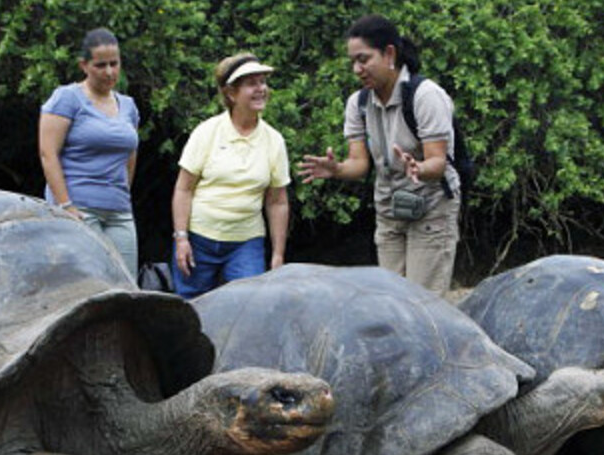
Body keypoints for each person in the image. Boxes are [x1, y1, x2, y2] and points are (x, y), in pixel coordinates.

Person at [298, 14, 461, 295]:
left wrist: (419, 168)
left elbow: (437, 162)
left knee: (424, 303)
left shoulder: (425, 96)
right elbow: (359, 163)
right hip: (389, 209)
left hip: (432, 208)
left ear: (389, 54)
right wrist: (337, 170)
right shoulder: (359, 103)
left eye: (363, 59)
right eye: (353, 61)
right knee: (389, 301)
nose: (357, 69)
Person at [170, 53, 291, 299]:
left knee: (249, 305)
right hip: (199, 238)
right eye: (251, 83)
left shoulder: (274, 140)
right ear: (231, 93)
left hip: (246, 241)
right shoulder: (207, 132)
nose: (261, 89)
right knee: (189, 306)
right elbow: (183, 189)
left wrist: (278, 255)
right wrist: (181, 238)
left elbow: (277, 201)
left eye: (263, 82)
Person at [39, 28, 142, 276]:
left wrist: (122, 192)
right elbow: (48, 153)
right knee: (90, 284)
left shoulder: (127, 105)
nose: (109, 72)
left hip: (118, 209)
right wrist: (66, 206)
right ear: (84, 65)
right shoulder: (67, 98)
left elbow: (130, 154)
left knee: (126, 283)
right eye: (100, 65)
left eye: (114, 64)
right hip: (79, 206)